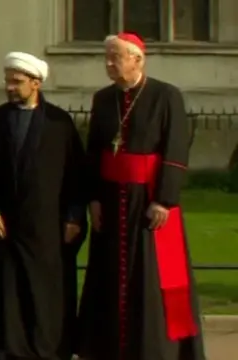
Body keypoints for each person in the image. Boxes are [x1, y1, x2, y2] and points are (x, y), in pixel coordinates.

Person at [77, 32, 206, 360]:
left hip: (148, 200)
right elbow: (94, 152)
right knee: (109, 275)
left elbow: (176, 150)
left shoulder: (166, 96)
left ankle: (156, 349)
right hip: (110, 198)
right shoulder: (103, 99)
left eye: (114, 57)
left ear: (138, 59)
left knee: (155, 276)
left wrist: (165, 199)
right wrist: (92, 198)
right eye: (106, 57)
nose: (108, 63)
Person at [0, 52, 87, 360]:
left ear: (36, 83)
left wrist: (74, 216)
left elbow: (75, 175)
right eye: (7, 81)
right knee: (5, 288)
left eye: (16, 82)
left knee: (44, 289)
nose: (9, 87)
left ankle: (46, 347)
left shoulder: (59, 123)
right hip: (5, 223)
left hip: (46, 225)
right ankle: (4, 347)